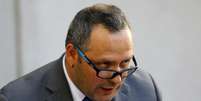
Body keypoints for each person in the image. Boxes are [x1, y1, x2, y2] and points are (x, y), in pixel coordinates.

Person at [0, 3, 161, 101]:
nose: (117, 80)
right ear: (72, 54)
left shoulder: (146, 90)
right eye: (104, 65)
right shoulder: (16, 98)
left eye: (125, 62)